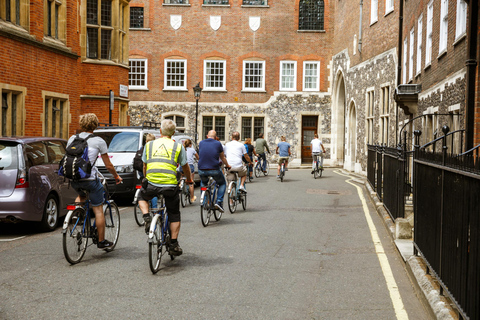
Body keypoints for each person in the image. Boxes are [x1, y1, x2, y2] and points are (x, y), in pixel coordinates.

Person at [138, 119, 193, 256]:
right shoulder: (178, 146)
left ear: (160, 131)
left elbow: (144, 165)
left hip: (151, 184)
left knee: (141, 196)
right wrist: (190, 180)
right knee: (174, 213)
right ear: (174, 133)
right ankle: (173, 243)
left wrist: (146, 177)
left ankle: (146, 217)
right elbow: (185, 166)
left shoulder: (149, 145)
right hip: (169, 185)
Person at [68, 113, 123, 249]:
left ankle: (77, 214)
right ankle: (101, 240)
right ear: (95, 125)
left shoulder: (72, 138)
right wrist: (116, 176)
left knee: (81, 195)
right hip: (90, 179)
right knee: (98, 209)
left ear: (81, 124)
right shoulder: (99, 141)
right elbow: (108, 165)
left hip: (74, 178)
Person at [198, 130, 231, 213]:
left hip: (201, 169)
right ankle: (219, 202)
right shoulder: (218, 143)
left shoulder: (201, 143)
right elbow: (222, 157)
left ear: (207, 136)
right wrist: (227, 165)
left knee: (203, 183)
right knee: (222, 183)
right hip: (214, 169)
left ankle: (205, 201)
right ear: (216, 137)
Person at [134, 133, 158, 209]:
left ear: (146, 140)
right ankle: (154, 209)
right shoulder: (155, 150)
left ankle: (142, 204)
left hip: (141, 172)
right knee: (153, 192)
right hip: (150, 172)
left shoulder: (142, 149)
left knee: (144, 188)